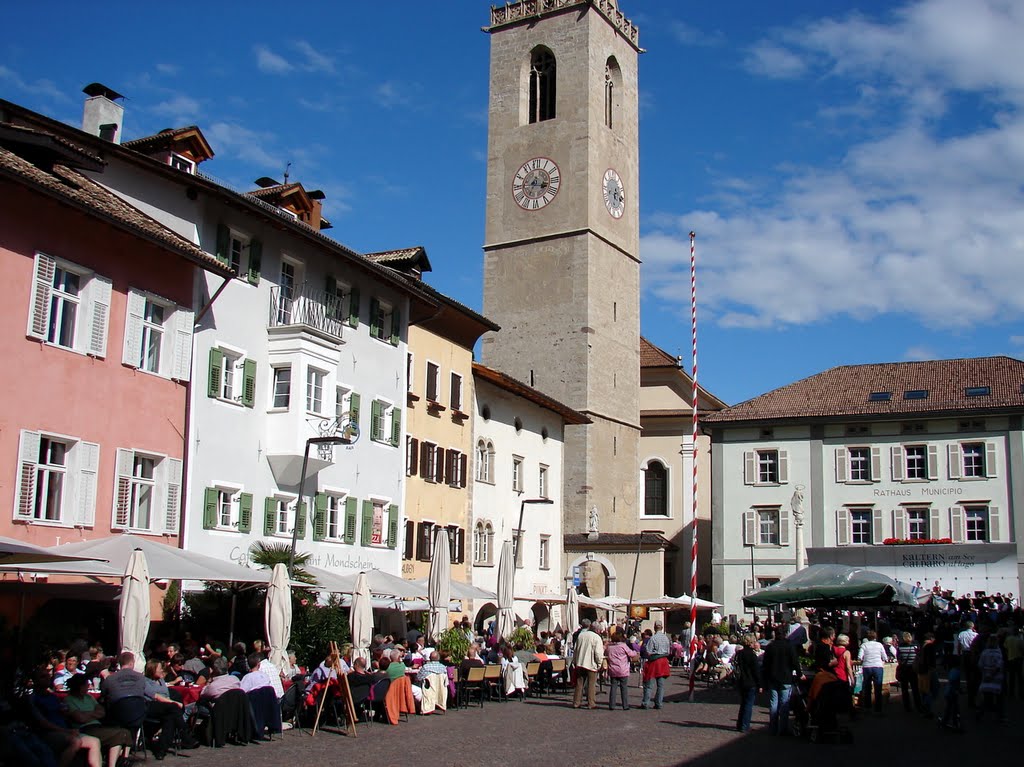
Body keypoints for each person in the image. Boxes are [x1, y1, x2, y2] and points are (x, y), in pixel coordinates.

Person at [27, 671, 104, 767]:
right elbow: (42, 722)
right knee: (75, 741)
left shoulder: (53, 697)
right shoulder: (33, 699)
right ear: (34, 681)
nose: (47, 678)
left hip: (65, 730)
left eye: (48, 676)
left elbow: (65, 714)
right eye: (43, 676)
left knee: (94, 741)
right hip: (48, 733)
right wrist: (66, 730)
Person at [62, 674, 132, 767]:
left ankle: (117, 762)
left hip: (97, 725)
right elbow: (80, 718)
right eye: (86, 685)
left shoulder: (89, 697)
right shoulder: (69, 700)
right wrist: (93, 714)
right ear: (79, 686)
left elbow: (101, 712)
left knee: (124, 732)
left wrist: (86, 714)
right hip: (85, 729)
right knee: (120, 733)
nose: (88, 687)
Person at [143, 658, 200, 754]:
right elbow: (156, 697)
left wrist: (171, 703)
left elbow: (166, 694)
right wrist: (173, 703)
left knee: (170, 718)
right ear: (152, 669)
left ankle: (161, 749)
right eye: (159, 668)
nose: (162, 670)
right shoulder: (145, 682)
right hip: (152, 706)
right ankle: (184, 734)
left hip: (166, 707)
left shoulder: (161, 680)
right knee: (174, 708)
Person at [761, 627, 802, 736]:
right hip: (785, 678)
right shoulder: (789, 646)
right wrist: (799, 674)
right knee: (784, 704)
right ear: (786, 634)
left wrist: (764, 679)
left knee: (773, 703)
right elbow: (795, 662)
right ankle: (783, 728)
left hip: (772, 677)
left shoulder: (770, 647)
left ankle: (773, 727)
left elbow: (765, 664)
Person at [572, 619, 604, 709]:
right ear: (597, 630)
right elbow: (598, 653)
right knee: (591, 684)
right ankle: (591, 703)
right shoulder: (596, 637)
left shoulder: (581, 635)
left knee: (579, 683)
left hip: (580, 662)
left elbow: (575, 649)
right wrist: (599, 663)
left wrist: (575, 661)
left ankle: (576, 702)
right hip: (591, 663)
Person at [641, 620, 672, 710]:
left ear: (654, 627)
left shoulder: (653, 638)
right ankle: (659, 703)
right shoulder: (666, 638)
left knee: (649, 684)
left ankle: (646, 703)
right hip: (664, 661)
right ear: (661, 627)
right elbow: (669, 651)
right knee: (661, 685)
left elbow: (648, 651)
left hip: (655, 661)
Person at [733, 635, 761, 733]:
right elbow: (756, 671)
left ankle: (740, 724)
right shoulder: (752, 655)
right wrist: (760, 684)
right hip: (750, 681)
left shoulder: (739, 653)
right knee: (748, 704)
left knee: (743, 703)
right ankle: (745, 725)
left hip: (741, 680)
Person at [605, 630, 637, 711]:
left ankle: (612, 705)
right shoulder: (623, 646)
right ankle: (625, 705)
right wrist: (635, 652)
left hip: (613, 669)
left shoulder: (609, 647)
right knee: (624, 688)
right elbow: (631, 654)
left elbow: (606, 654)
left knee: (613, 687)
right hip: (622, 669)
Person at [976, 635, 1005, 722]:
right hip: (997, 678)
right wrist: (992, 675)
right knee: (999, 698)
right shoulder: (999, 653)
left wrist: (985, 674)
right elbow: (998, 666)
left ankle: (980, 714)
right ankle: (1000, 716)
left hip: (986, 677)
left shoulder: (984, 652)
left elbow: (980, 665)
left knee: (987, 698)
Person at [857, 629, 887, 713]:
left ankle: (868, 706)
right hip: (877, 666)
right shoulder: (879, 645)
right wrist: (884, 659)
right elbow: (884, 657)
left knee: (867, 687)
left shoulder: (864, 645)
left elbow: (860, 657)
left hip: (867, 667)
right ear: (875, 636)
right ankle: (878, 708)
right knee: (878, 687)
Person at [895, 631, 923, 713]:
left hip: (904, 669)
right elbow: (919, 657)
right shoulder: (915, 646)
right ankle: (918, 705)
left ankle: (907, 707)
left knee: (904, 689)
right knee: (915, 688)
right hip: (913, 669)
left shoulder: (899, 647)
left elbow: (899, 659)